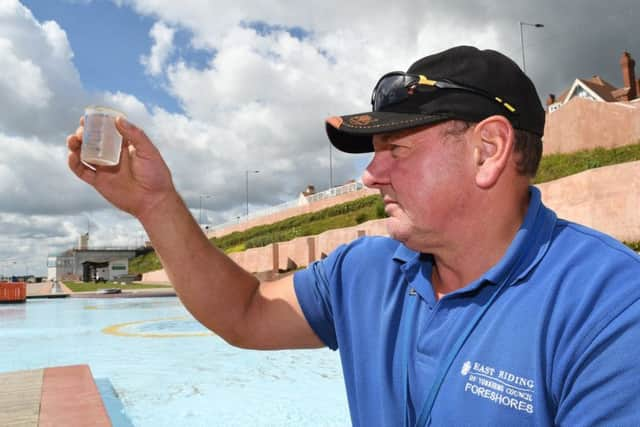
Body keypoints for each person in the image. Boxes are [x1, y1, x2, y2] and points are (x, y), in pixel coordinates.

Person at [67, 46, 640, 426]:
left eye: (397, 148)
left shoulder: (611, 308)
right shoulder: (366, 271)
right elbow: (242, 312)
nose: (370, 174)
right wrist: (156, 205)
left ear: (487, 151)